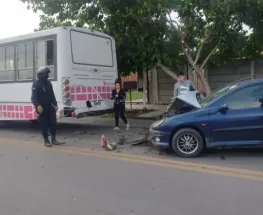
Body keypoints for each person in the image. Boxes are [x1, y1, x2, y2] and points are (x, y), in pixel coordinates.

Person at [31, 67, 64, 147]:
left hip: (50, 106)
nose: (47, 75)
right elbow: (34, 97)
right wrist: (37, 105)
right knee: (44, 125)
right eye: (45, 73)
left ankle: (53, 139)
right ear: (41, 75)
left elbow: (52, 94)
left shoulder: (48, 83)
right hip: (41, 108)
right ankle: (46, 140)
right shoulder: (36, 84)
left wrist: (55, 104)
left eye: (47, 73)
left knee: (53, 123)